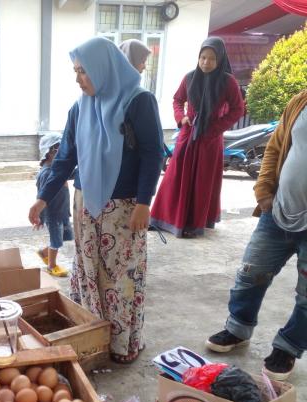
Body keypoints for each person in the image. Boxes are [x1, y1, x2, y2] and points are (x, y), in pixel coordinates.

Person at [29, 37, 164, 364]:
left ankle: (121, 344)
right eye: (75, 72)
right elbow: (64, 157)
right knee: (88, 272)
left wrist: (145, 203)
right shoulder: (80, 107)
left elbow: (152, 154)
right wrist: (42, 198)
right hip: (86, 203)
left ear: (103, 68)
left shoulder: (138, 101)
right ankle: (92, 337)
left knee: (120, 277)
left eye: (83, 72)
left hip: (125, 208)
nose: (78, 79)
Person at [206, 90, 307, 381]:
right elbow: (275, 147)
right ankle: (238, 328)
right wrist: (264, 194)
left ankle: (288, 346)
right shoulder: (300, 101)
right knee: (251, 273)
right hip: (278, 211)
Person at [150, 37, 244, 238]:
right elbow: (177, 99)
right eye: (202, 57)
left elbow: (237, 109)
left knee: (202, 181)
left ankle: (194, 224)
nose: (206, 63)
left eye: (211, 59)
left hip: (210, 139)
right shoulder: (190, 78)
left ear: (219, 60)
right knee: (174, 177)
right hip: (188, 135)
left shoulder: (228, 82)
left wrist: (215, 127)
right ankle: (162, 219)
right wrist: (181, 117)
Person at [35, 132, 73, 277]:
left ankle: (44, 252)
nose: (64, 154)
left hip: (63, 212)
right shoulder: (45, 174)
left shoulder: (58, 170)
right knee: (56, 241)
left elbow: (71, 174)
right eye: (60, 150)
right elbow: (41, 197)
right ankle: (51, 266)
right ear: (50, 153)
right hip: (53, 215)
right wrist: (40, 216)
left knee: (66, 236)